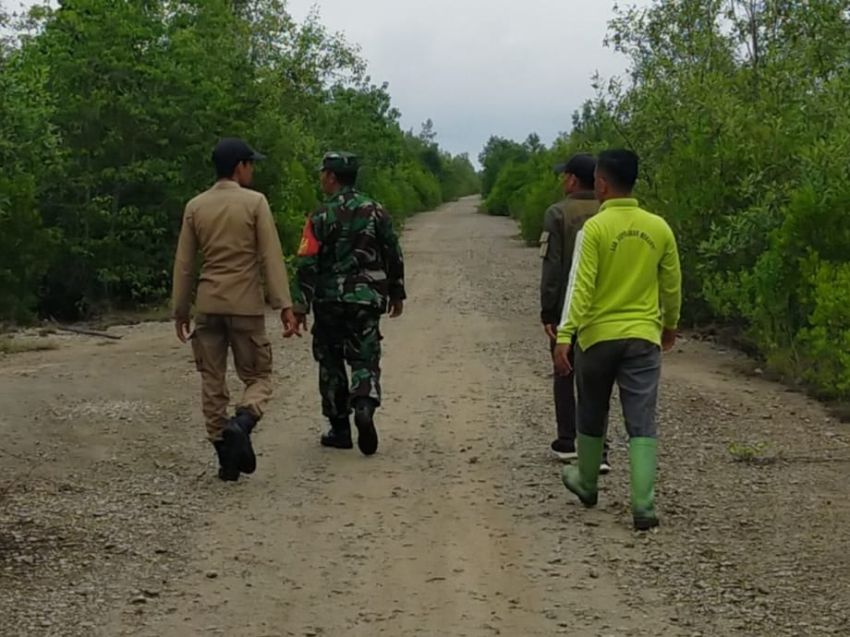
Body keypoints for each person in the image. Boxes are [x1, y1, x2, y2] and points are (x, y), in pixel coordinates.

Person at [554, 149, 681, 530]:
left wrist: (565, 334)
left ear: (602, 184)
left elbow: (580, 286)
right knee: (641, 419)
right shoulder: (659, 228)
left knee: (592, 411)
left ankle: (587, 482)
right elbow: (671, 284)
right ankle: (643, 505)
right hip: (643, 337)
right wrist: (669, 324)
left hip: (597, 338)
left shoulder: (594, 229)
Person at [172, 138, 299, 482]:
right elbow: (270, 257)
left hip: (208, 305)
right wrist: (284, 305)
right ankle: (243, 422)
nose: (252, 170)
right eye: (250, 164)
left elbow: (185, 264)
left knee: (212, 380)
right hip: (245, 305)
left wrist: (180, 310)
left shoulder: (195, 206)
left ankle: (225, 458)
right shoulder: (255, 202)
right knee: (258, 376)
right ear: (239, 167)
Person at [293, 152, 405, 456]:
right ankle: (364, 404)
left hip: (329, 300)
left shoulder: (319, 216)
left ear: (331, 177)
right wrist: (396, 291)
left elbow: (307, 261)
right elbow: (393, 252)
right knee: (365, 356)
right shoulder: (376, 210)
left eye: (323, 173)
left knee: (330, 361)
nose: (321, 178)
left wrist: (301, 304)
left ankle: (340, 429)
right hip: (366, 298)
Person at [539, 154, 609, 471]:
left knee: (564, 370)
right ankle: (598, 446)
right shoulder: (607, 211)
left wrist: (548, 312)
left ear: (572, 179)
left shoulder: (557, 213)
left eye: (564, 176)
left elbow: (552, 267)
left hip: (568, 308)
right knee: (597, 379)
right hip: (603, 310)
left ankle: (567, 440)